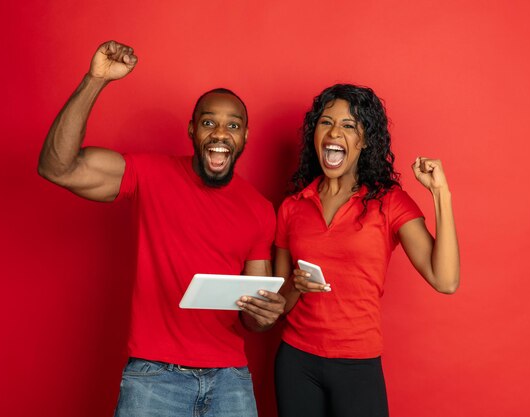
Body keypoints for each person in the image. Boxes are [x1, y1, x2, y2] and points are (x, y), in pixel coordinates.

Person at [38, 40, 286, 417]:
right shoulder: (149, 174)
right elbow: (57, 167)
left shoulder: (259, 209)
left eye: (232, 126)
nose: (220, 134)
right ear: (192, 130)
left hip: (230, 380)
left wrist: (264, 315)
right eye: (208, 123)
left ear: (245, 137)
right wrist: (95, 79)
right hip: (154, 377)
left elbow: (252, 317)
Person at [273, 84, 460, 417]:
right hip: (296, 361)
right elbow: (280, 304)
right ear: (314, 133)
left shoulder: (388, 202)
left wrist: (441, 194)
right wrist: (296, 286)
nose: (334, 132)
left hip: (357, 363)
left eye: (348, 125)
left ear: (365, 140)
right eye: (325, 122)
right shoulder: (292, 207)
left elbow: (445, 280)